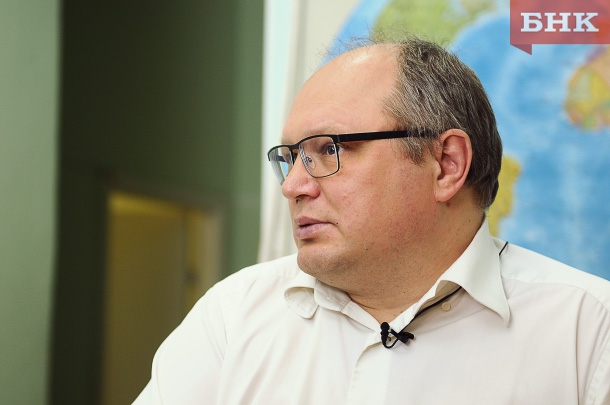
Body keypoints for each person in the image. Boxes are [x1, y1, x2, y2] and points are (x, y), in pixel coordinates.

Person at [134, 36, 610, 404]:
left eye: (329, 149)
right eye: (291, 157)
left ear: (446, 165)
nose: (292, 185)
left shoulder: (588, 330)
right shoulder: (235, 315)